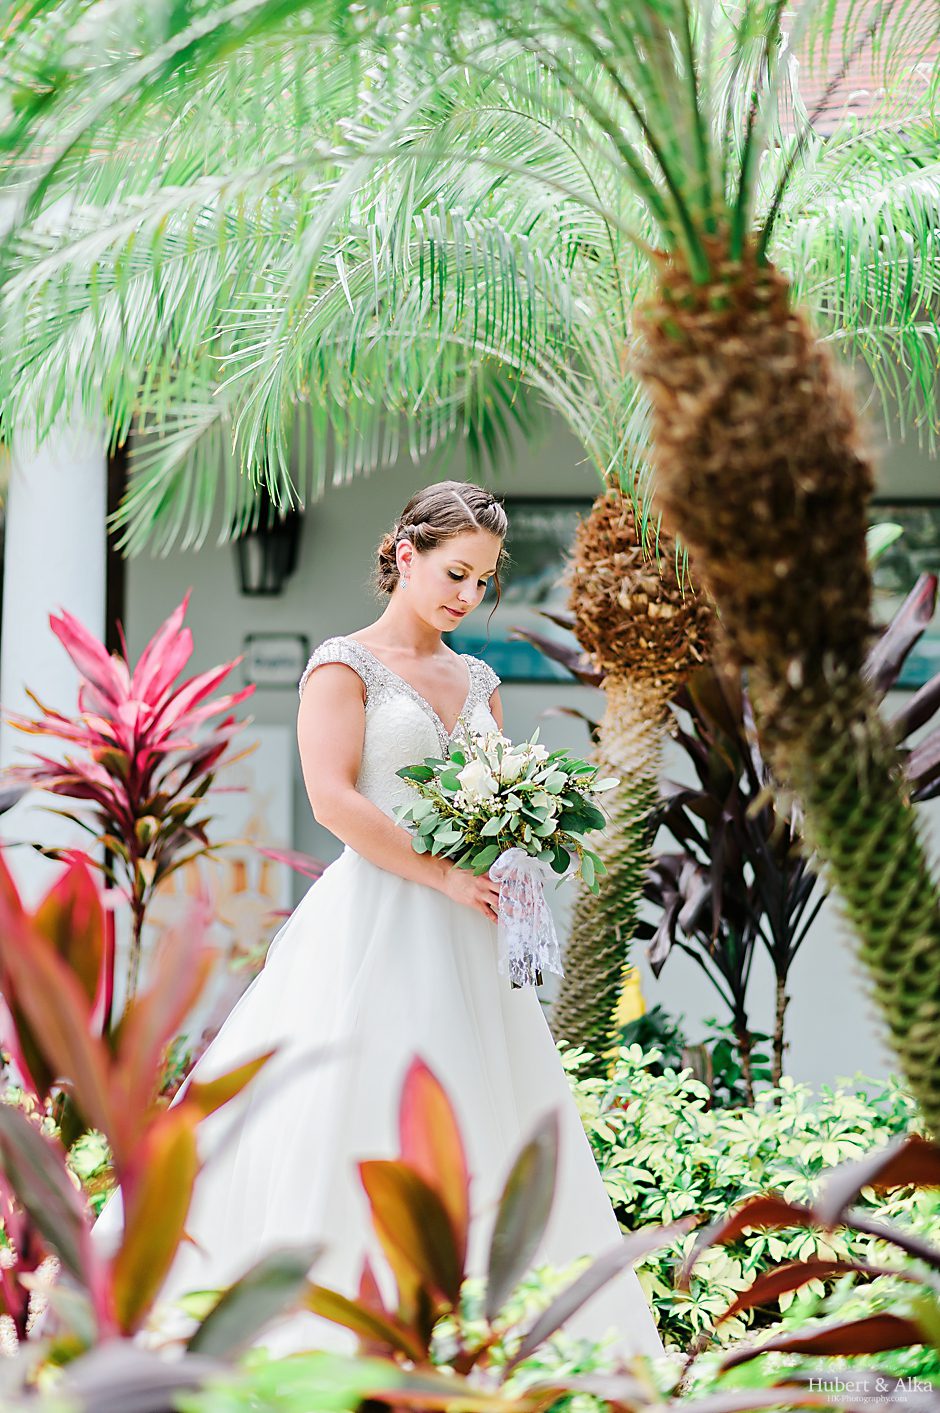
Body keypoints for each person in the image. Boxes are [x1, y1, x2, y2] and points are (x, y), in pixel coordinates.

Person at [91, 479, 664, 1360]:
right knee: (347, 1098)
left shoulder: (477, 677)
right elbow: (332, 799)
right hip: (375, 917)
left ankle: (484, 1327)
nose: (467, 596)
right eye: (455, 572)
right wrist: (436, 873)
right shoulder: (343, 664)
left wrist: (511, 852)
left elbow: (494, 788)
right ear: (407, 554)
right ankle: (319, 1321)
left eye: (482, 581)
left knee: (485, 1102)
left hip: (467, 923)